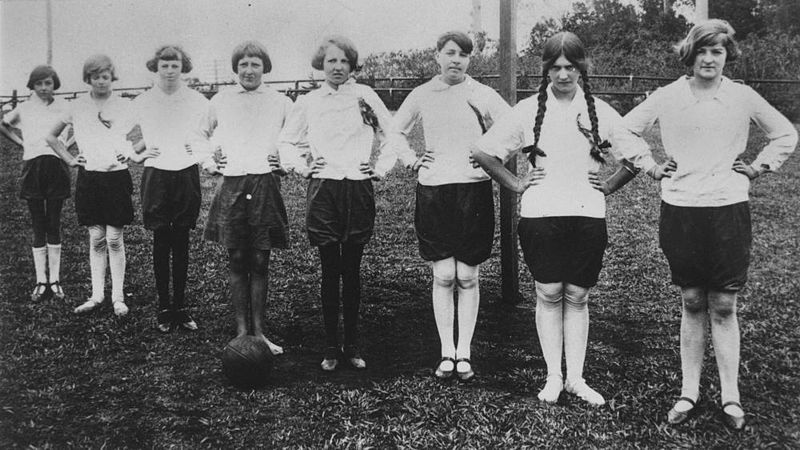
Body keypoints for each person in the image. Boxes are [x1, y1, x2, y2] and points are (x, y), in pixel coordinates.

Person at [614, 19, 797, 429]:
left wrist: (758, 167)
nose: (709, 59)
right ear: (690, 54)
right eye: (702, 51)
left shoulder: (742, 96)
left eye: (717, 51)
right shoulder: (669, 95)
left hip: (728, 207)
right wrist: (651, 166)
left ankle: (731, 397)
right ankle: (689, 391)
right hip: (681, 207)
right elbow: (623, 129)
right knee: (692, 300)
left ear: (726, 55)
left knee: (724, 303)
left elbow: (785, 134)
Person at [472, 32, 637, 405]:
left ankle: (577, 378)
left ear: (582, 68)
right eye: (556, 68)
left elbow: (636, 155)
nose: (563, 75)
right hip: (541, 213)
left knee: (577, 296)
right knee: (548, 293)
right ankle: (553, 377)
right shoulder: (528, 110)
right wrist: (516, 182)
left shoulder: (601, 111)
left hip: (586, 213)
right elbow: (483, 152)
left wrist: (609, 185)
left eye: (571, 67)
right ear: (546, 70)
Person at [391, 31, 510, 382]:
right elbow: (395, 131)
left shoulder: (480, 93)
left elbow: (513, 127)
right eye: (450, 53)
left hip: (472, 191)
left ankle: (465, 354)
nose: (456, 60)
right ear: (437, 56)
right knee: (444, 275)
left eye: (463, 55)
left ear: (470, 60)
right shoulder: (423, 93)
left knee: (468, 275)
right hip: (434, 191)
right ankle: (447, 352)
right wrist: (412, 160)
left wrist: (492, 157)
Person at [279, 35, 396, 371]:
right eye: (332, 61)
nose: (338, 67)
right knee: (330, 268)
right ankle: (331, 345)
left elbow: (394, 131)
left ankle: (353, 343)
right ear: (322, 64)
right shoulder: (309, 101)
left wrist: (379, 167)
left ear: (352, 65)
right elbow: (285, 141)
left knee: (353, 268)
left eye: (344, 61)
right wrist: (304, 166)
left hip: (357, 188)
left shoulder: (364, 96)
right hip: (324, 189)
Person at [203, 41, 292, 355]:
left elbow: (295, 137)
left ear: (264, 68)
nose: (249, 70)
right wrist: (211, 162)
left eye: (255, 64)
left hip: (265, 184)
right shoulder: (221, 100)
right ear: (235, 68)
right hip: (233, 186)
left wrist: (286, 163)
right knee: (238, 258)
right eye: (243, 64)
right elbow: (199, 133)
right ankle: (241, 333)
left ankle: (260, 333)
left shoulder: (280, 101)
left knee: (260, 258)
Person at [45, 54, 142, 316]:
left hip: (116, 178)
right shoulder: (77, 105)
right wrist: (71, 159)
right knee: (96, 237)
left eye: (106, 76)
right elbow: (52, 137)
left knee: (113, 238)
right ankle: (97, 295)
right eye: (96, 77)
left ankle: (118, 297)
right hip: (90, 179)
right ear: (88, 79)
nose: (101, 81)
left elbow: (150, 132)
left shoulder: (124, 104)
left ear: (113, 78)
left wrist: (131, 152)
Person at [129, 45, 213, 333]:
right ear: (156, 67)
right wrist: (137, 154)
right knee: (161, 238)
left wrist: (203, 148)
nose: (169, 71)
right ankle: (164, 306)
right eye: (164, 66)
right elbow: (115, 132)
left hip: (186, 173)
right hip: (157, 175)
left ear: (182, 67)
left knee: (182, 240)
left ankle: (180, 305)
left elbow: (217, 131)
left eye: (174, 65)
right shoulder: (143, 100)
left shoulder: (197, 100)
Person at [0, 65, 72, 301]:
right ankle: (41, 280)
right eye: (39, 83)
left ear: (55, 84)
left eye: (48, 83)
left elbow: (78, 129)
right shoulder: (25, 107)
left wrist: (65, 148)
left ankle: (55, 280)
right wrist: (21, 144)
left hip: (56, 166)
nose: (44, 88)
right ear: (32, 85)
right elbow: (4, 124)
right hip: (33, 167)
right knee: (37, 224)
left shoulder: (64, 107)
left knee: (54, 221)